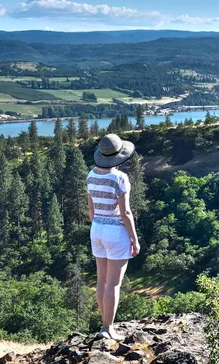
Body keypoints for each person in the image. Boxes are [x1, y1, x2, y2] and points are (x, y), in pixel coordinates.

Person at [87, 133, 141, 340]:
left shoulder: (91, 174)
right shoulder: (119, 178)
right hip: (116, 231)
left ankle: (104, 324)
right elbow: (126, 212)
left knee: (101, 280)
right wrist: (134, 239)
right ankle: (107, 328)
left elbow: (91, 209)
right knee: (114, 283)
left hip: (97, 229)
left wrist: (97, 226)